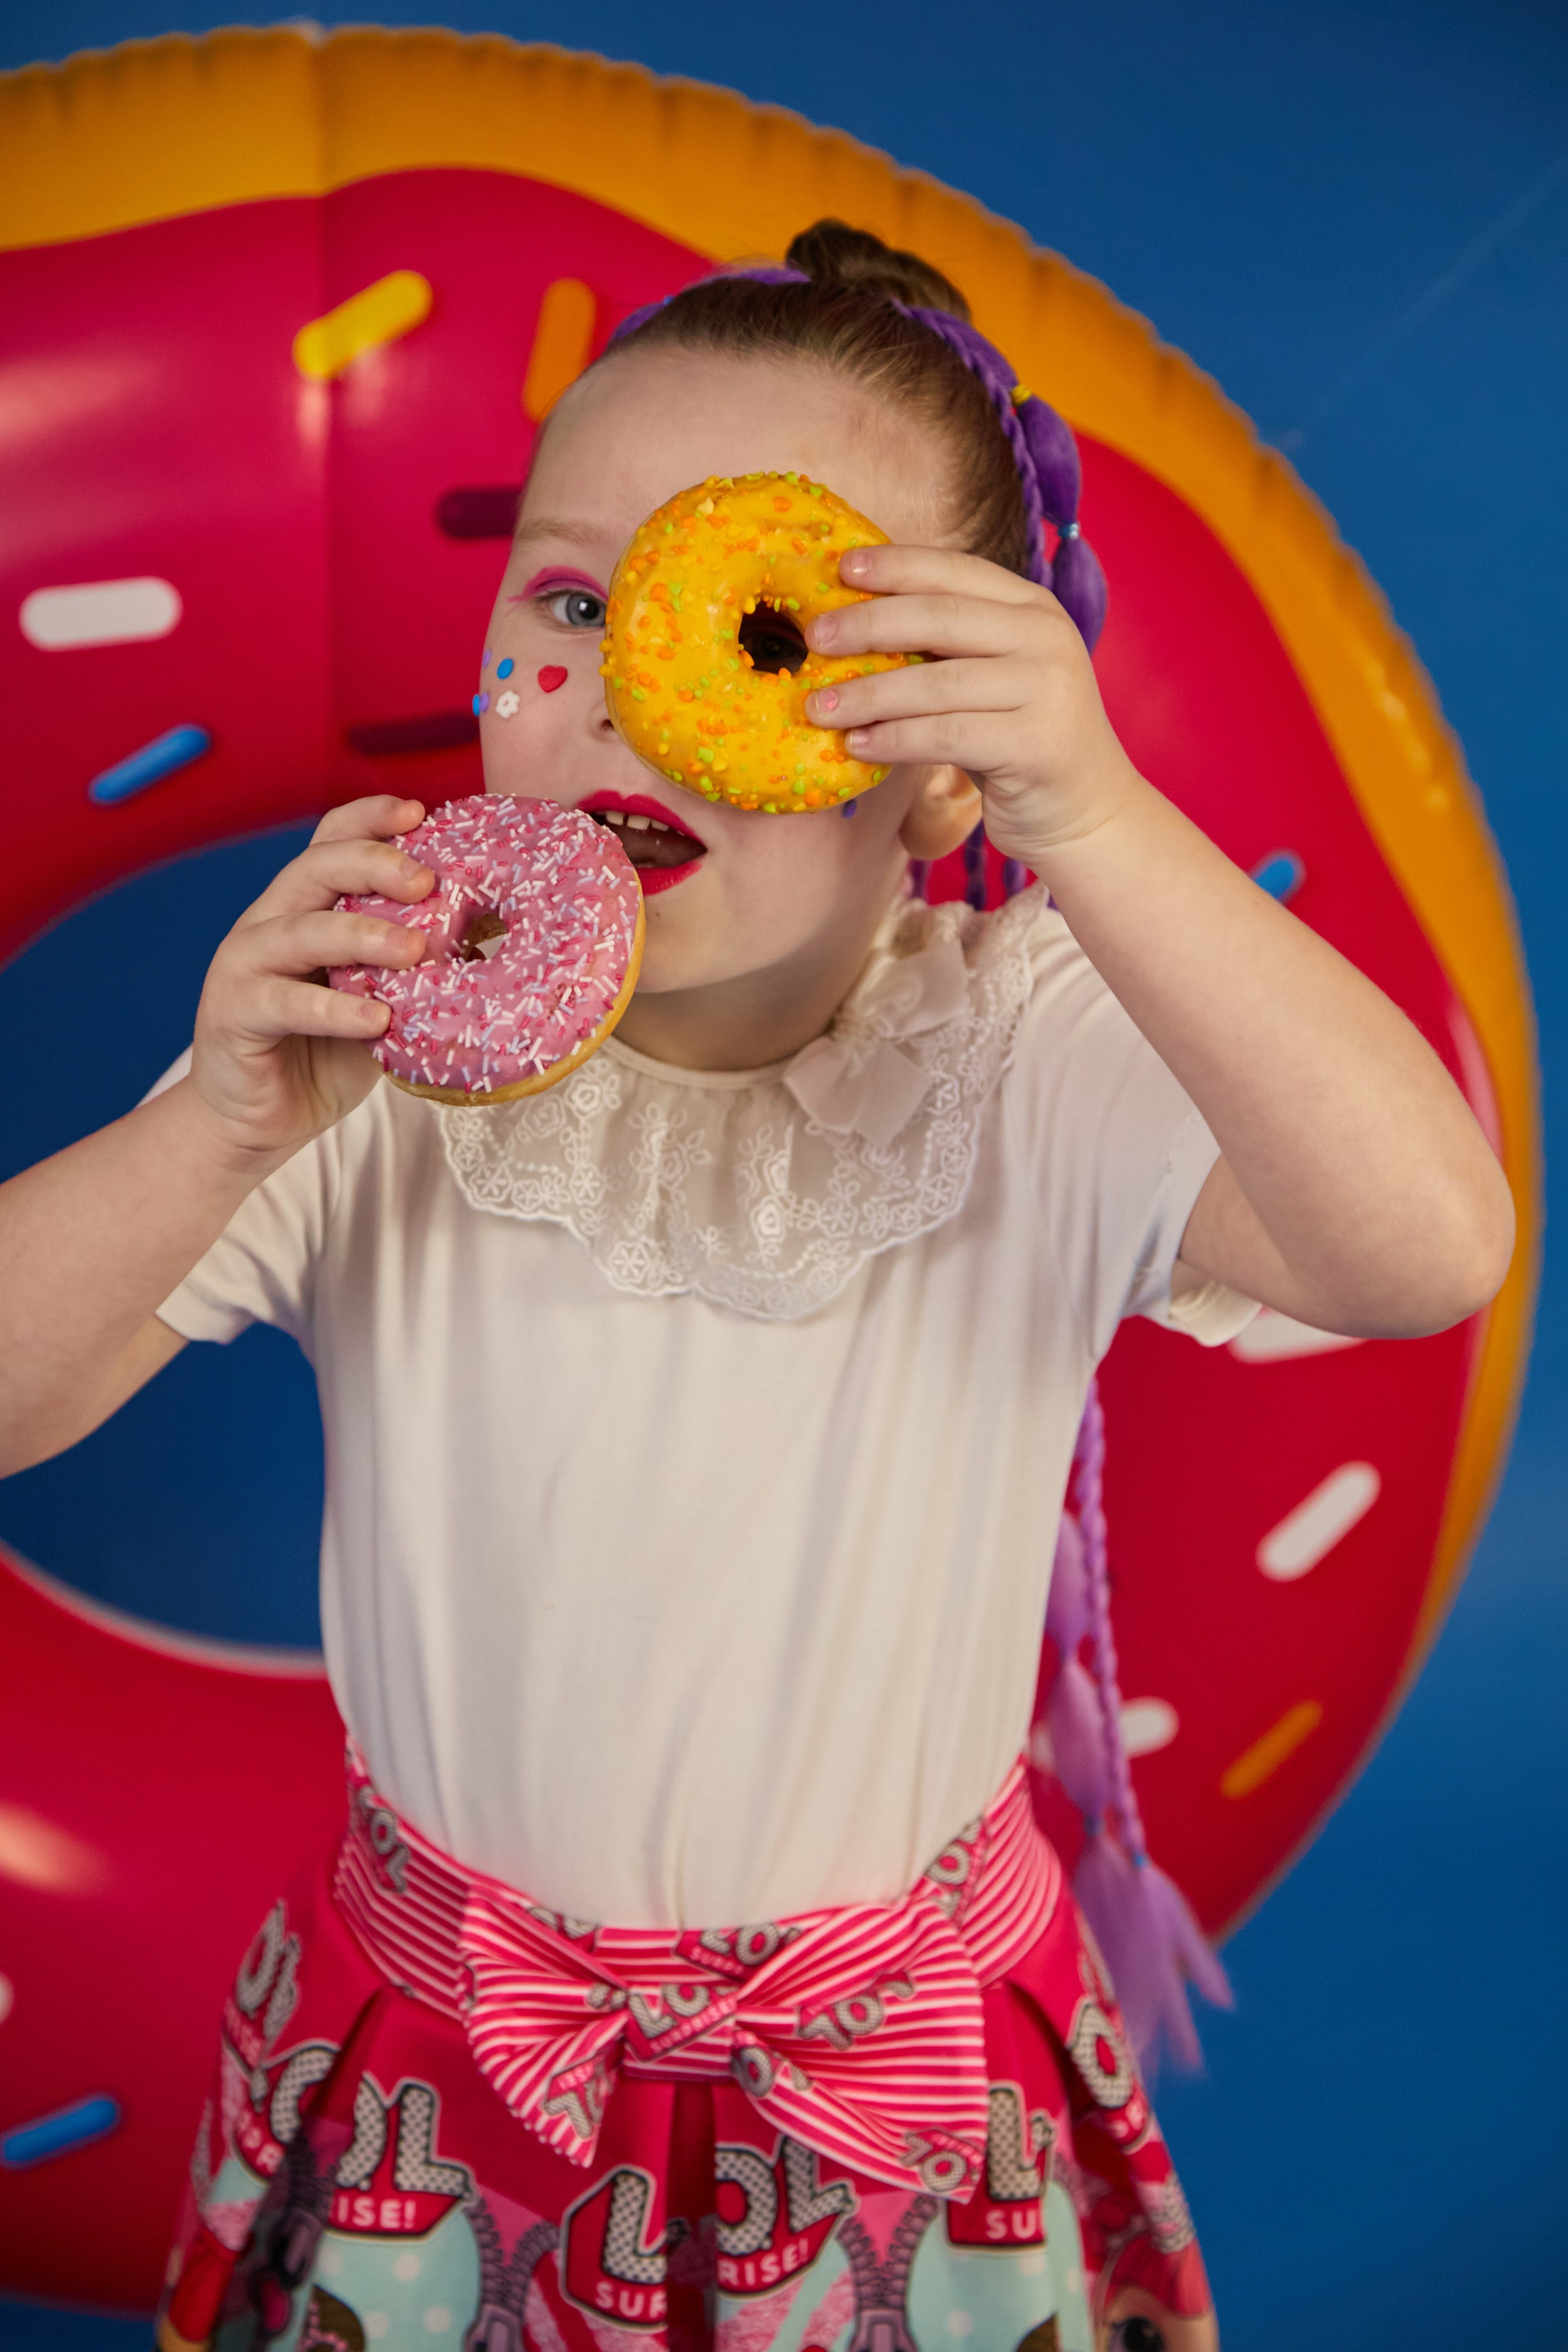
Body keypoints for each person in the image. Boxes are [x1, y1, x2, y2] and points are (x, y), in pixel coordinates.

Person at [0, 222, 1511, 2352]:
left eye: (765, 625)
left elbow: (1427, 1248)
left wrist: (1098, 818)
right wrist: (212, 1133)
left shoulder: (1034, 1043)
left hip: (897, 2089)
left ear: (947, 764)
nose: (631, 687)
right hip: (445, 2066)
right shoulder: (371, 1047)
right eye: (567, 599)